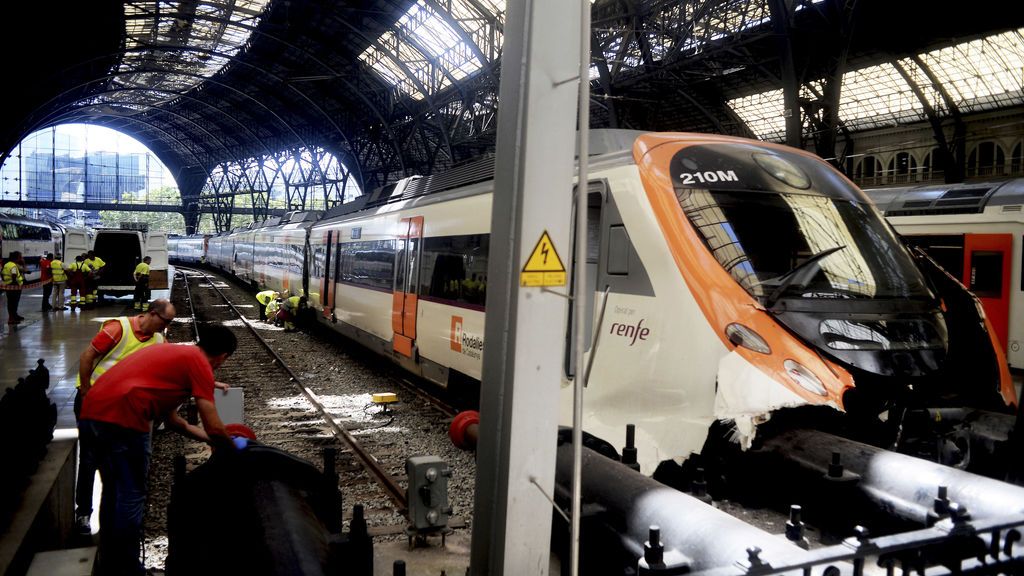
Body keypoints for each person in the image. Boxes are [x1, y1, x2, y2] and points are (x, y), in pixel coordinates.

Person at [78, 324, 237, 576]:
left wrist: (211, 440)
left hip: (92, 414)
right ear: (222, 356)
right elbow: (215, 426)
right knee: (131, 494)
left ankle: (111, 561)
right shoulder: (200, 364)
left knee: (113, 491)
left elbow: (176, 422)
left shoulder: (178, 356)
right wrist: (235, 449)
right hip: (124, 418)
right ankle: (128, 569)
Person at [73, 299, 176, 536]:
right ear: (152, 314)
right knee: (90, 460)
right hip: (93, 404)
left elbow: (170, 362)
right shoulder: (118, 329)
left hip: (123, 410)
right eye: (165, 321)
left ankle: (112, 522)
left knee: (115, 466)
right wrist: (86, 391)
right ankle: (83, 514)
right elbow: (87, 357)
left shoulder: (159, 340)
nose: (166, 326)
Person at [2, 251, 26, 325]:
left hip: (8, 286)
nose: (20, 258)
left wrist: (6, 281)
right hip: (14, 286)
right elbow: (14, 275)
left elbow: (2, 274)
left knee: (11, 302)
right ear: (16, 258)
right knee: (13, 303)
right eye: (19, 257)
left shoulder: (6, 264)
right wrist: (16, 283)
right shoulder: (13, 266)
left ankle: (13, 317)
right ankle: (12, 319)